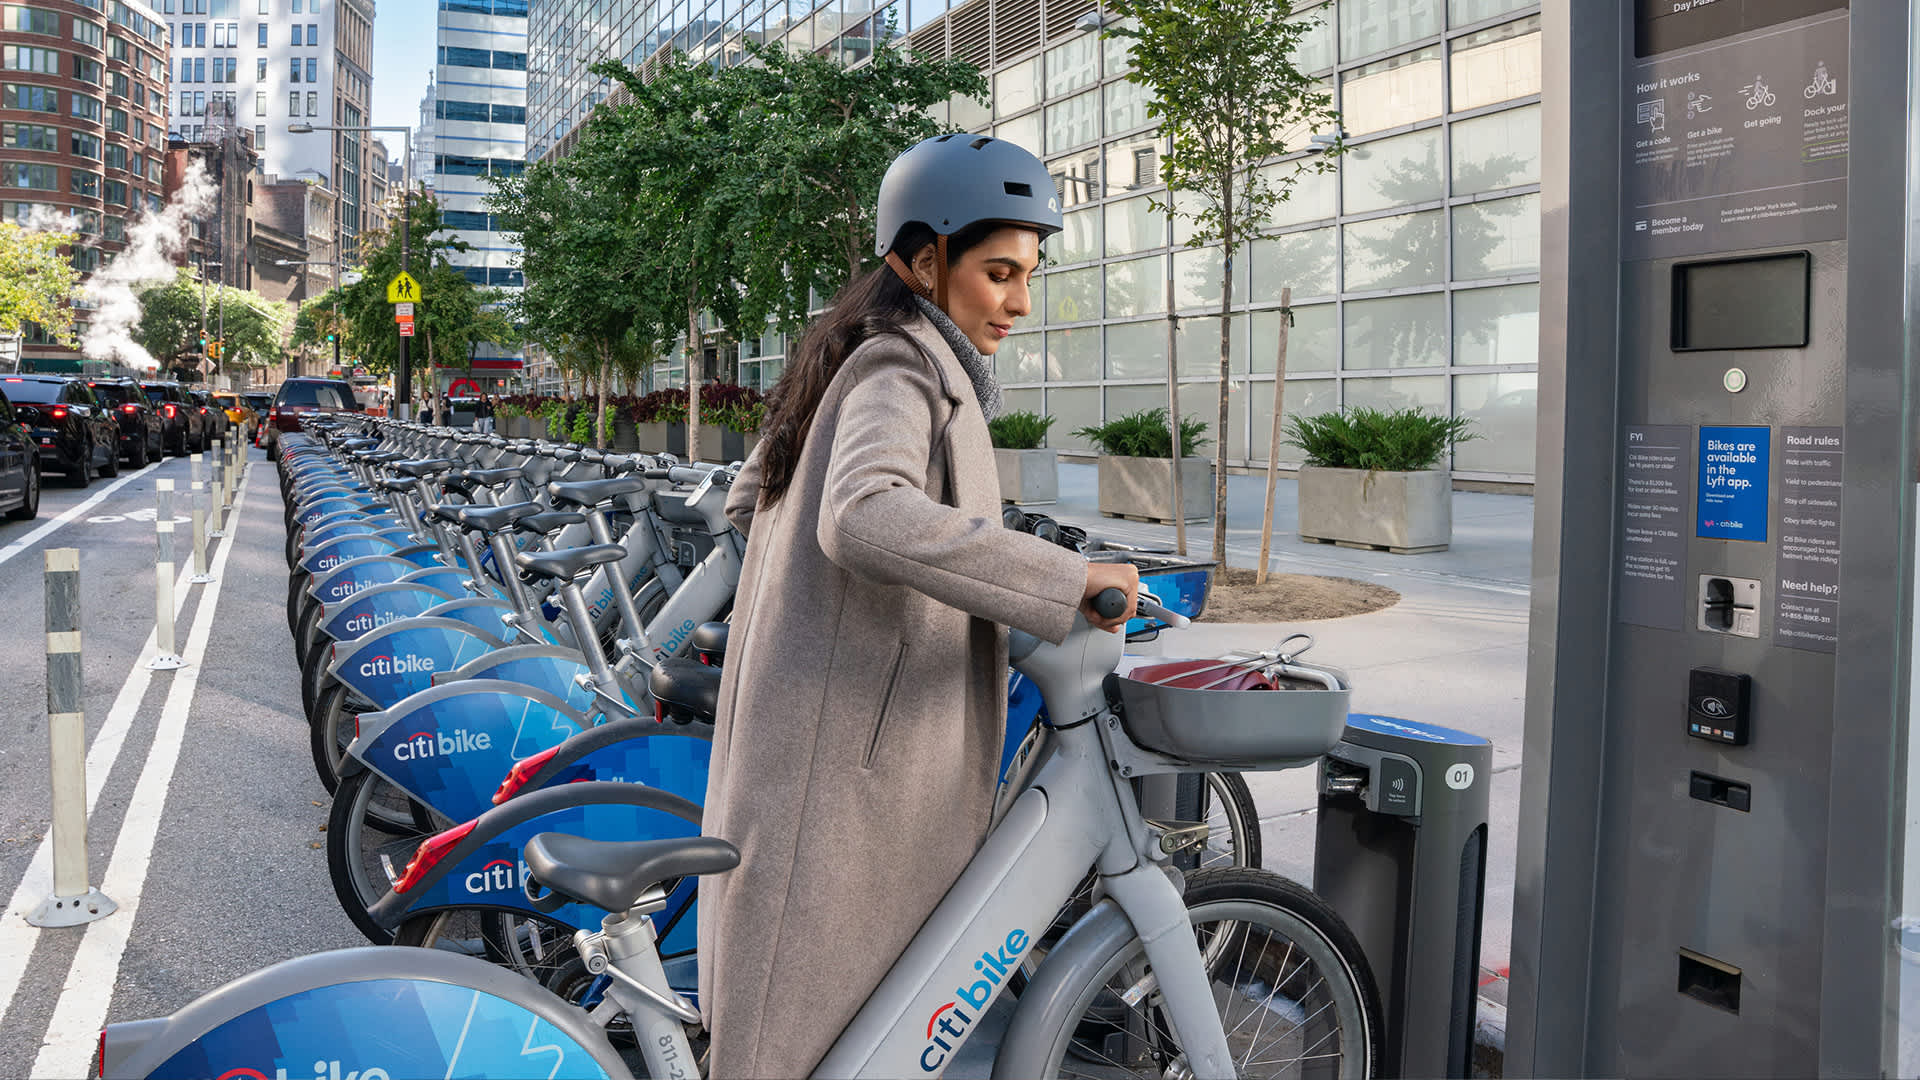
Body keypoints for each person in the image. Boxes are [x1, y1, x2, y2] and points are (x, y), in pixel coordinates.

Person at [697, 133, 1141, 1078]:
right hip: (845, 770)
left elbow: (751, 498)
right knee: (799, 1047)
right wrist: (1062, 581)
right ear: (924, 260)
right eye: (998, 272)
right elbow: (861, 514)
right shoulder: (901, 367)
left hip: (829, 751)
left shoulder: (859, 354)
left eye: (1030, 274)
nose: (1020, 301)